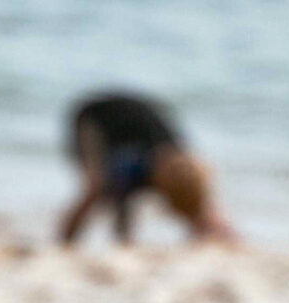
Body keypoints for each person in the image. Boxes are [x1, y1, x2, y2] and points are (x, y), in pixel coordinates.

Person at [61, 93, 235, 245]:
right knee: (97, 187)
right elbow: (122, 204)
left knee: (194, 205)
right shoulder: (135, 166)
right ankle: (65, 240)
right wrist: (124, 237)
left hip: (133, 120)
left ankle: (217, 235)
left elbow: (198, 203)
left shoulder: (184, 161)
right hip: (93, 118)